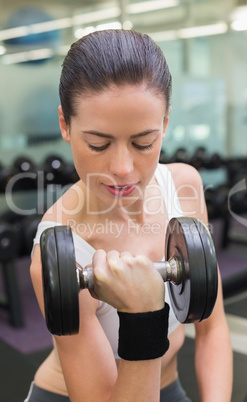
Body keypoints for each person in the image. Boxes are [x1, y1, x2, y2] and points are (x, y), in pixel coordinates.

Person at [25, 29, 232, 401]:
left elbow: (212, 326)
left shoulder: (184, 186)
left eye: (143, 142)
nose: (122, 168)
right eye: (98, 144)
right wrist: (143, 314)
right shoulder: (58, 250)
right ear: (64, 125)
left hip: (167, 387)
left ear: (165, 124)